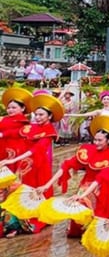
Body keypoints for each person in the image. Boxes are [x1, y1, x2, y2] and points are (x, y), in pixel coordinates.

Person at [36, 116, 109, 237]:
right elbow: (66, 165)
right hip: (86, 183)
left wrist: (82, 195)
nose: (96, 143)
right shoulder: (88, 150)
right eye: (95, 139)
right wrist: (47, 185)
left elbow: (100, 179)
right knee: (79, 209)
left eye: (100, 140)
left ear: (108, 141)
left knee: (95, 213)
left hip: (103, 187)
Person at [0, 93, 64, 236]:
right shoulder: (32, 127)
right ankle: (14, 224)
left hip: (39, 167)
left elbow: (36, 150)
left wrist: (12, 160)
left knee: (34, 194)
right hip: (25, 167)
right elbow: (17, 133)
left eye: (41, 115)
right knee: (19, 193)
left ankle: (29, 222)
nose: (38, 117)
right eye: (36, 114)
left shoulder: (49, 131)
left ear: (49, 116)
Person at [0, 88, 33, 170]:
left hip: (14, 148)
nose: (10, 110)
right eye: (8, 108)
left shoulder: (23, 121)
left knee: (10, 170)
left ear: (23, 108)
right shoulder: (5, 118)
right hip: (2, 146)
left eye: (14, 108)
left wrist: (3, 134)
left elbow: (19, 132)